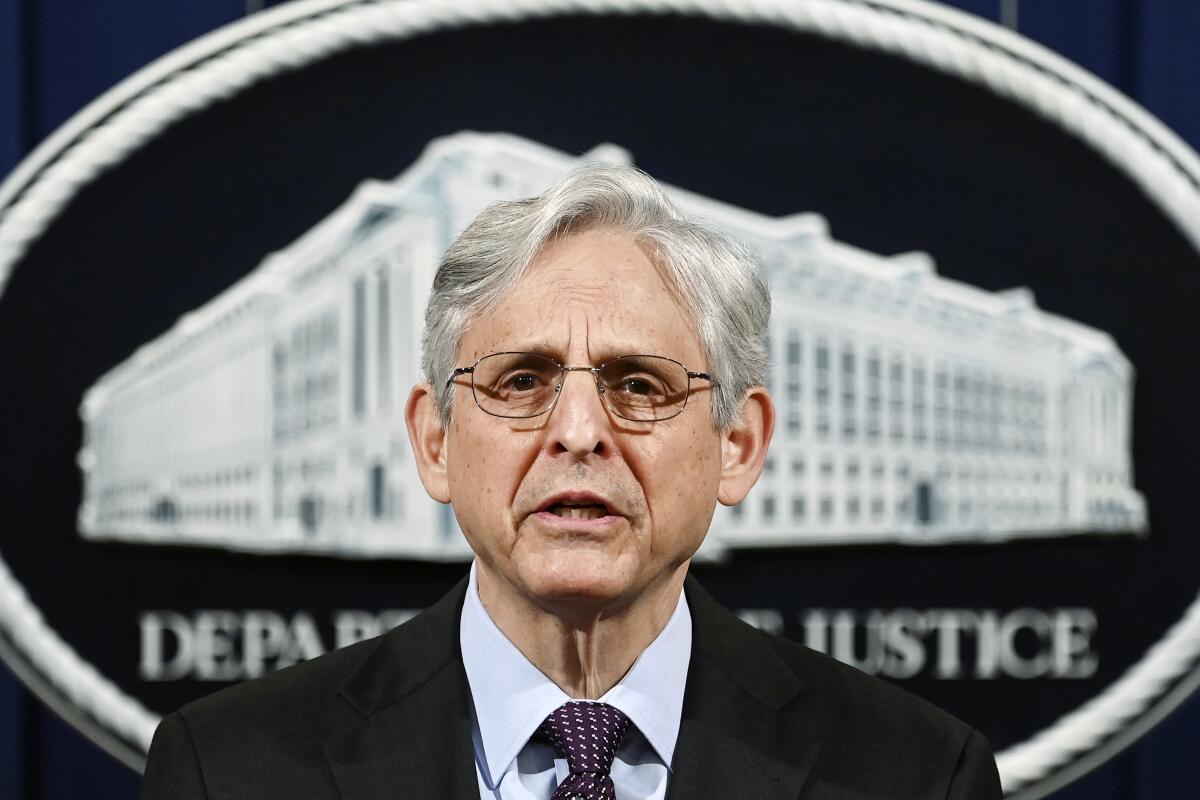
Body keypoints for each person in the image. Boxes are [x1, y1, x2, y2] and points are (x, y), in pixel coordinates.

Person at [141, 164, 1002, 799]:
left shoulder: (919, 777)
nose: (580, 433)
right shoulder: (230, 772)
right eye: (521, 381)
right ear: (436, 440)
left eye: (639, 384)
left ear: (737, 444)